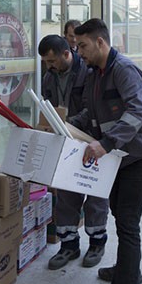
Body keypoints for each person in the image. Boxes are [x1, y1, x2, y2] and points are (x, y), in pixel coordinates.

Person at [70, 18, 142, 284]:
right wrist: (68, 124)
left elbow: (138, 111)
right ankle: (129, 271)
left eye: (82, 45)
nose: (78, 51)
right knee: (116, 213)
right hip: (117, 156)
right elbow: (93, 113)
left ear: (100, 42)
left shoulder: (123, 69)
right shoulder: (95, 73)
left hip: (139, 154)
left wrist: (105, 144)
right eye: (76, 45)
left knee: (127, 224)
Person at [37, 34, 109, 270]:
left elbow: (94, 108)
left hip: (90, 140)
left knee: (95, 194)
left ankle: (97, 242)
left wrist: (69, 123)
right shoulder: (49, 78)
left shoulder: (88, 73)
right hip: (64, 141)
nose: (49, 66)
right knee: (66, 196)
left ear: (67, 54)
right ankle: (69, 245)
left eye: (52, 61)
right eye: (46, 63)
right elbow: (47, 107)